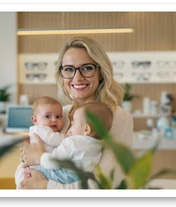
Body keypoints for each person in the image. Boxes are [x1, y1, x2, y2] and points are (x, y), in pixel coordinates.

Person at [15, 36, 134, 189]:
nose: (77, 77)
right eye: (69, 69)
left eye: (87, 68)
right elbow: (21, 169)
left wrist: (45, 185)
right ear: (61, 74)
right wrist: (28, 177)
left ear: (101, 72)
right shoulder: (59, 114)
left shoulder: (116, 117)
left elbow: (103, 186)